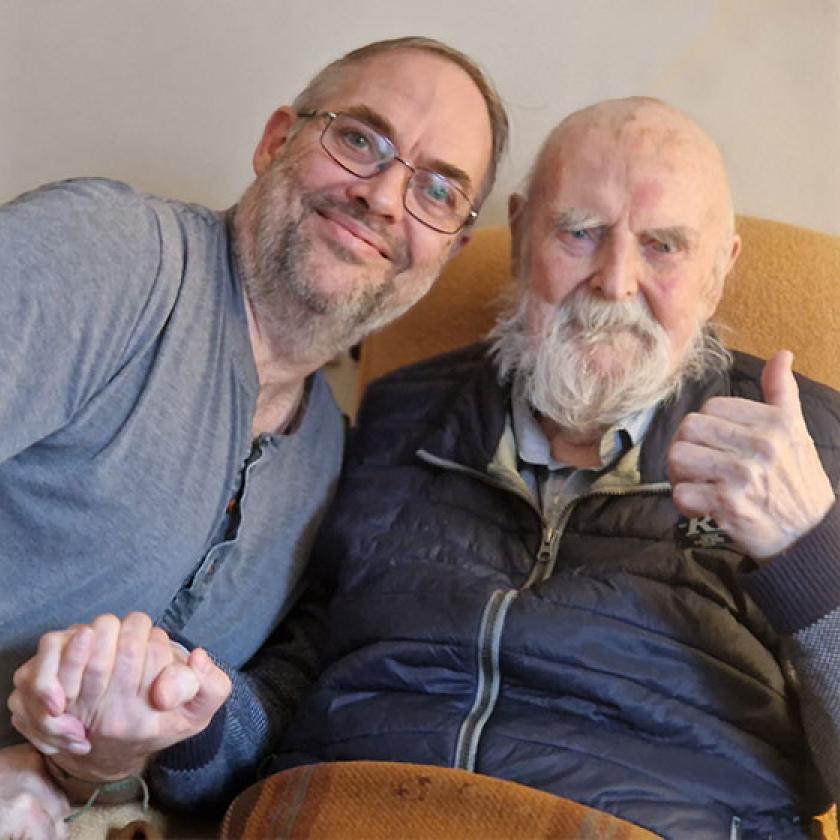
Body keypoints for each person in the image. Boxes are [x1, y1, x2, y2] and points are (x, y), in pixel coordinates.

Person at [12, 97, 840, 838]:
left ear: (721, 267)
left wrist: (810, 553)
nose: (614, 282)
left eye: (662, 245)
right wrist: (192, 722)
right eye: (579, 232)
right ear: (519, 235)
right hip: (340, 816)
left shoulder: (808, 445)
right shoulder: (395, 416)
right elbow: (292, 686)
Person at [0, 36, 508, 834]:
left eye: (437, 191)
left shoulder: (330, 463)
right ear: (278, 140)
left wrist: (90, 771)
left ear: (447, 253)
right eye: (360, 139)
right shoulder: (109, 257)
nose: (383, 197)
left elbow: (215, 759)